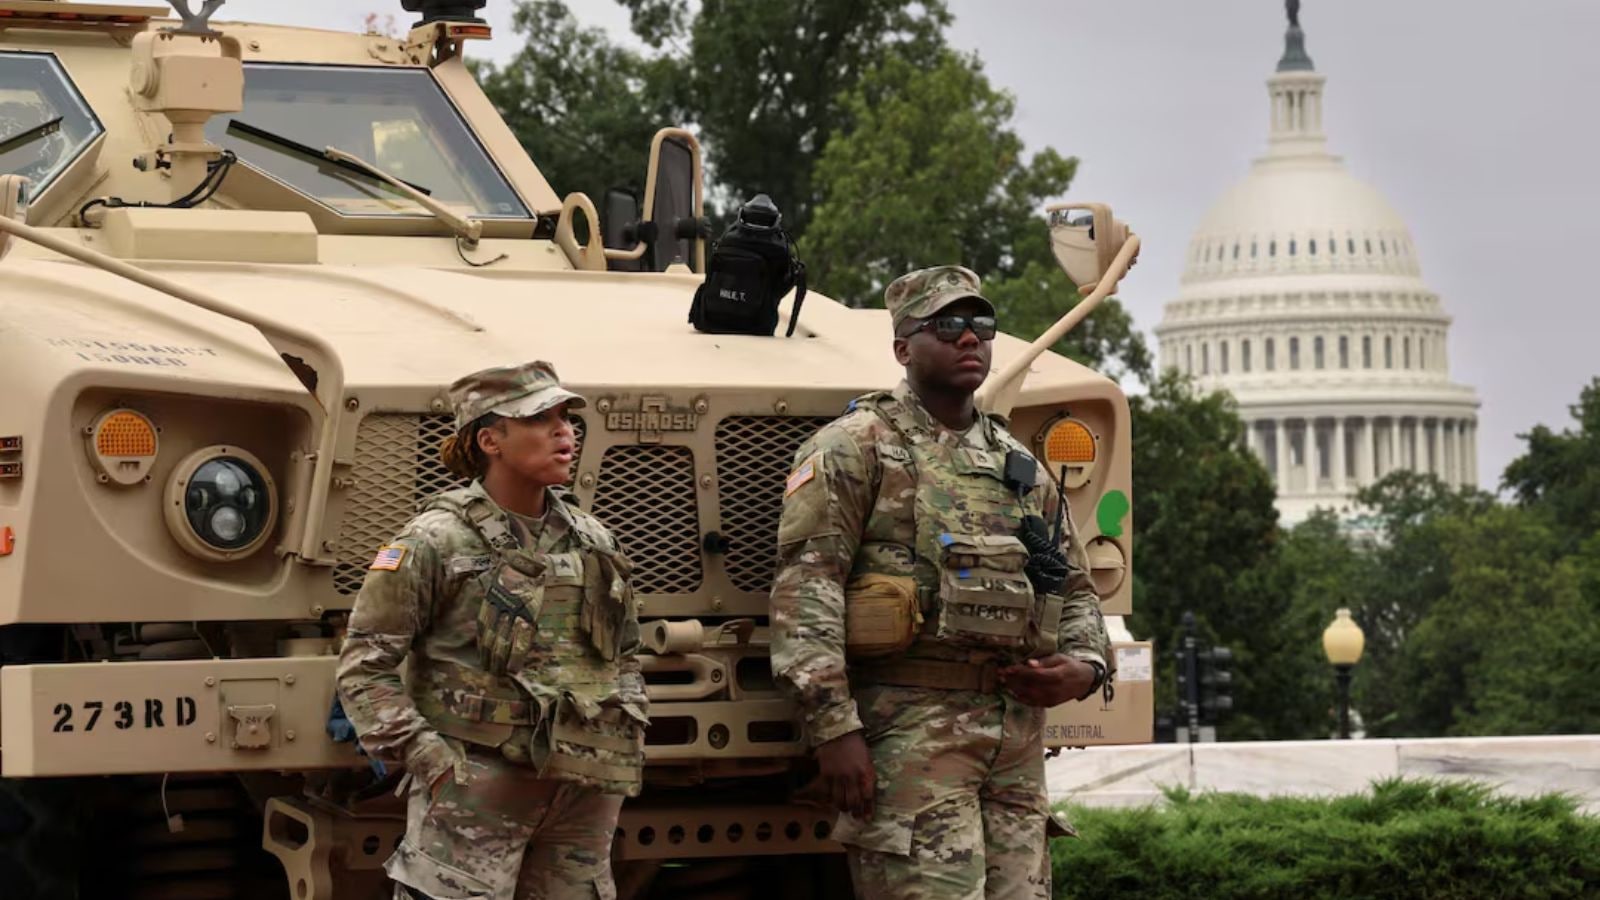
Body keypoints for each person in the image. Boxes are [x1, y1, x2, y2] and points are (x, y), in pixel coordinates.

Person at [770, 266, 1113, 899]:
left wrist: (1087, 666)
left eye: (982, 326)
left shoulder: (1018, 466)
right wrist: (835, 730)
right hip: (910, 735)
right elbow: (806, 591)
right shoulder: (855, 447)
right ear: (904, 347)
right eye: (947, 325)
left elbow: (1073, 586)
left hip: (1014, 743)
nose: (970, 340)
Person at [336, 361, 648, 900]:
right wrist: (433, 764)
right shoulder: (435, 541)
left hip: (582, 797)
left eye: (565, 418)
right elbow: (365, 669)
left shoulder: (595, 540)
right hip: (475, 792)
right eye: (539, 419)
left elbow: (625, 655)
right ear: (490, 439)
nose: (563, 431)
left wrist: (620, 742)